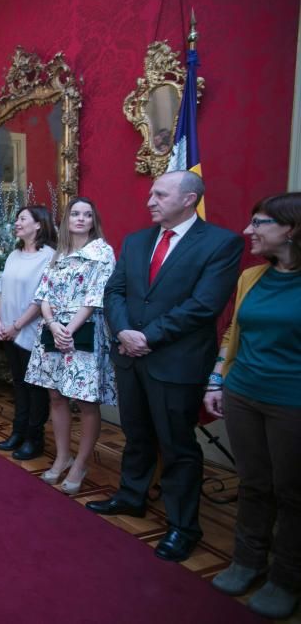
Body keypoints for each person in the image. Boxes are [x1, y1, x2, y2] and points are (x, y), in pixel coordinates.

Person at [89, 171, 243, 563]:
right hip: (131, 356)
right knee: (136, 433)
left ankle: (182, 526)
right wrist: (124, 330)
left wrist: (148, 336)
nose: (150, 201)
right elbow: (115, 290)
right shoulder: (137, 240)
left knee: (177, 446)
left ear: (189, 199)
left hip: (175, 362)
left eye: (160, 194)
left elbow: (204, 305)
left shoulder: (221, 243)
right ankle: (131, 496)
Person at [205, 192, 301, 619]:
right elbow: (232, 334)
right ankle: (247, 561)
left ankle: (286, 577)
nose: (249, 232)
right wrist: (217, 379)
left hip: (292, 403)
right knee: (254, 482)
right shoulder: (252, 277)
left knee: (292, 493)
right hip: (243, 392)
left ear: (291, 229)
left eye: (259, 223)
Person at [24, 197, 115, 495]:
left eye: (87, 214)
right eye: (75, 213)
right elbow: (44, 293)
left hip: (84, 329)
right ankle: (64, 456)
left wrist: (69, 329)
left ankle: (81, 463)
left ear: (93, 220)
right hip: (53, 329)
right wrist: (52, 324)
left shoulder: (101, 252)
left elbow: (95, 295)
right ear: (66, 220)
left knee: (86, 400)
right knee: (55, 395)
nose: (80, 218)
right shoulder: (59, 253)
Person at [0, 205, 57, 460]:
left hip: (31, 331)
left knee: (35, 388)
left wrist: (16, 325)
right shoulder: (13, 254)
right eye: (17, 219)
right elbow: (2, 291)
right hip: (7, 329)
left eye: (22, 219)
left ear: (38, 224)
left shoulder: (49, 256)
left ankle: (34, 438)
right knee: (18, 385)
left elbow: (41, 299)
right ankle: (18, 431)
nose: (17, 223)